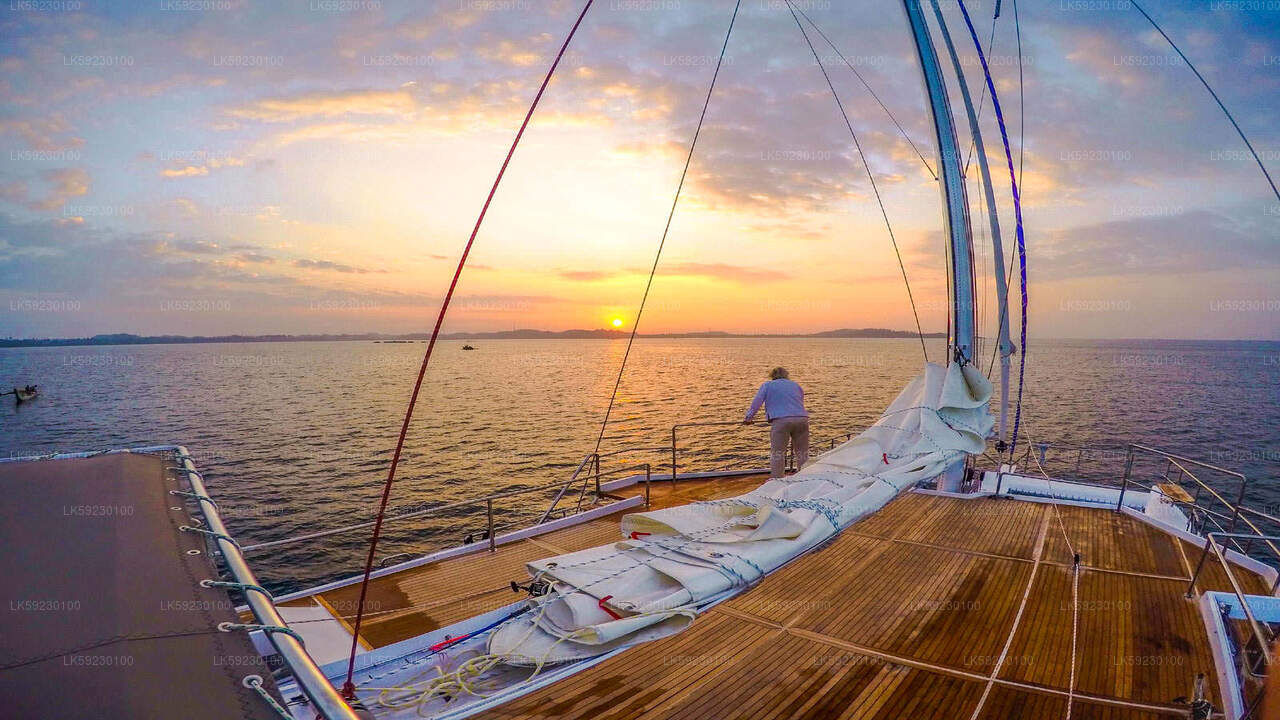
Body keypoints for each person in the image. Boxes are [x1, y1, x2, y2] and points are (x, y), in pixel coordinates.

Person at [744, 367, 809, 478]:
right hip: (801, 418)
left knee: (778, 453)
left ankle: (777, 480)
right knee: (802, 452)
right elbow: (800, 400)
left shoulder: (768, 385)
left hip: (781, 420)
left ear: (772, 375)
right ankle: (804, 477)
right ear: (786, 375)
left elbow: (757, 401)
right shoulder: (795, 385)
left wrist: (748, 417)